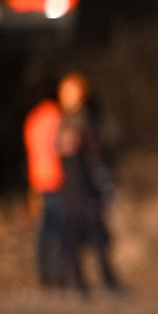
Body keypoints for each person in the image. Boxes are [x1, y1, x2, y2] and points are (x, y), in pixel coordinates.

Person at [54, 72, 121, 293]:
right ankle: (79, 282)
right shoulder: (64, 121)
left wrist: (104, 185)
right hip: (71, 187)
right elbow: (58, 149)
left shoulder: (87, 120)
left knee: (98, 236)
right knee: (73, 239)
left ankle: (107, 279)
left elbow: (96, 157)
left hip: (86, 186)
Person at [23, 92, 68, 288]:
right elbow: (59, 148)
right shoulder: (57, 117)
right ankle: (59, 274)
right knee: (59, 229)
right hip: (57, 178)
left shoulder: (32, 119)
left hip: (38, 180)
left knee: (44, 230)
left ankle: (43, 274)